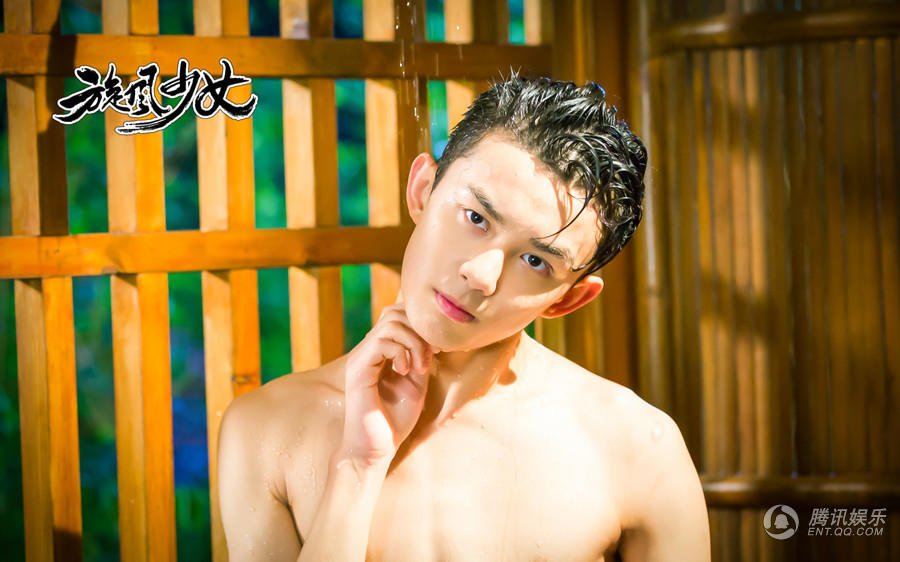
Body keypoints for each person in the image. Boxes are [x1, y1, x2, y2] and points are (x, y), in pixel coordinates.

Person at [217, 75, 711, 561]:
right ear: (422, 189)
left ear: (567, 300)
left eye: (535, 261)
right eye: (476, 218)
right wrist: (356, 469)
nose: (481, 275)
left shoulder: (636, 450)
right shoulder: (265, 430)